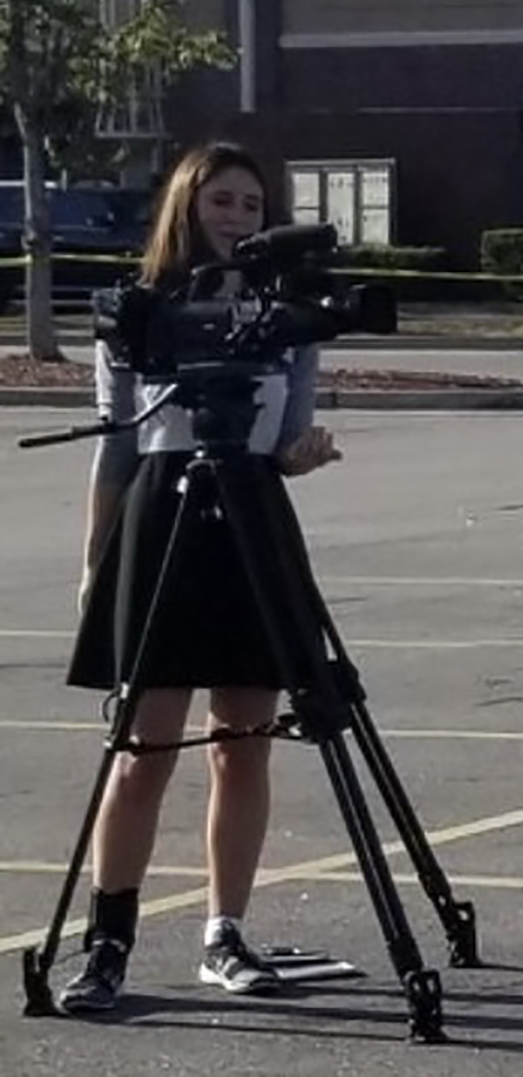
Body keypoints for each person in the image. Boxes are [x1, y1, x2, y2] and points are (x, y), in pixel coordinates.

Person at [57, 141, 342, 1014]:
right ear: (187, 205)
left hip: (251, 514)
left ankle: (226, 931)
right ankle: (108, 940)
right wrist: (95, 560)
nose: (237, 219)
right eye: (222, 201)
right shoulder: (137, 309)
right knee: (142, 749)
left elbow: (290, 430)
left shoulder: (284, 315)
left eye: (252, 206)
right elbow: (114, 446)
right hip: (160, 512)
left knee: (242, 741)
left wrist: (301, 455)